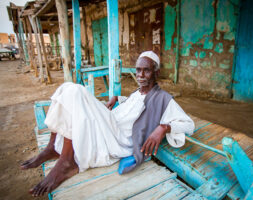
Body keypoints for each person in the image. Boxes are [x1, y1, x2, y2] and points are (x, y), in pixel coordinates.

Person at [20, 51, 195, 197]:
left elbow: (189, 125)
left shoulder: (164, 99)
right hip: (110, 123)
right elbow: (136, 105)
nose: (140, 75)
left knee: (76, 91)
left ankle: (67, 162)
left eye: (146, 71)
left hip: (116, 138)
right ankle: (52, 146)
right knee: (66, 88)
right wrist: (118, 98)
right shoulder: (138, 92)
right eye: (138, 70)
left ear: (156, 73)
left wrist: (164, 128)